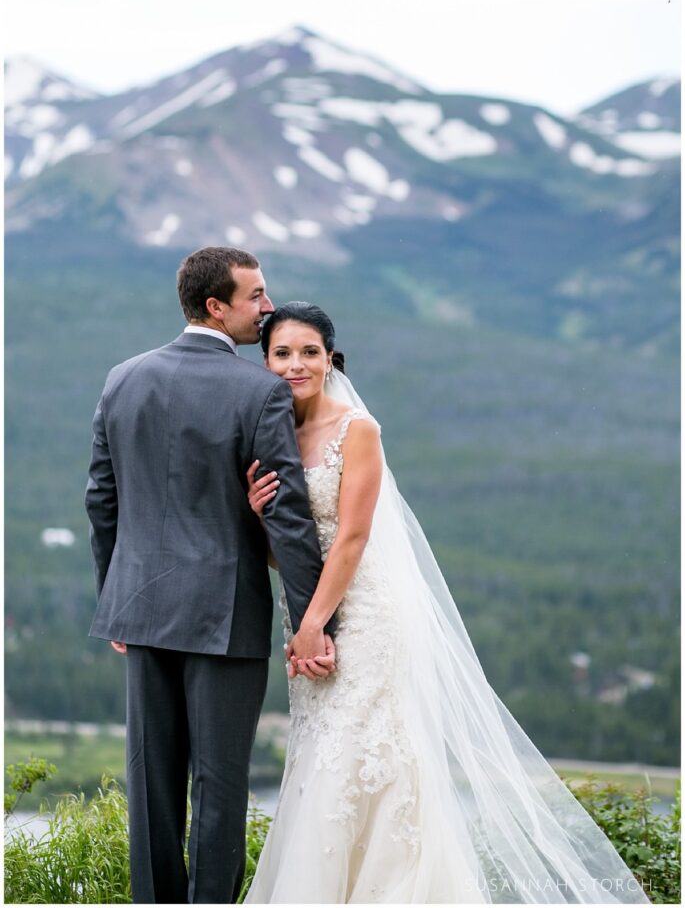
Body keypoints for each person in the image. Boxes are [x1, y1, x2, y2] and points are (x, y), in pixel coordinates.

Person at [244, 302, 651, 905]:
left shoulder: (359, 430)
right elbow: (292, 552)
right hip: (308, 614)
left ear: (331, 358)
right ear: (266, 360)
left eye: (309, 351)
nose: (296, 364)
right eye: (282, 353)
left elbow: (352, 538)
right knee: (320, 752)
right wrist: (260, 519)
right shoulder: (273, 434)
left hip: (367, 613)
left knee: (369, 749)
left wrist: (312, 627)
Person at [84, 249, 334, 904]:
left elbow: (101, 501)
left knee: (150, 782)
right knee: (219, 786)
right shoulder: (260, 391)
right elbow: (287, 515)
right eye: (255, 295)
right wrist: (318, 622)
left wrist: (114, 598)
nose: (267, 306)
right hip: (224, 612)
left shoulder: (122, 378)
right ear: (215, 306)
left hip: (138, 607)